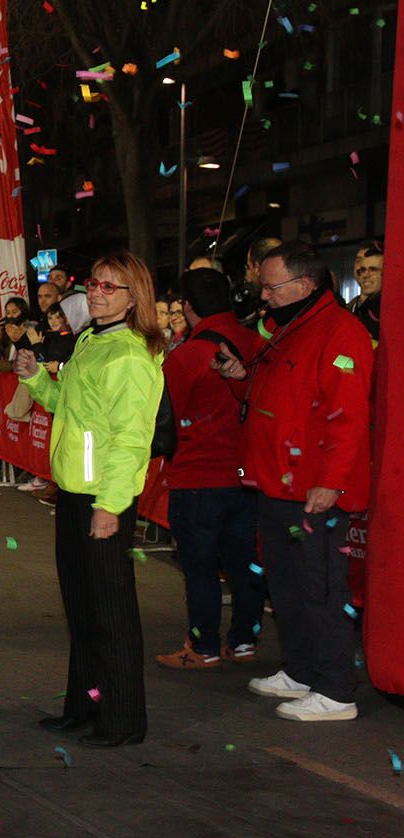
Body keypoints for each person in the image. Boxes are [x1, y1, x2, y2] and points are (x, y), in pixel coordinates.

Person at [213, 241, 373, 721]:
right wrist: (241, 376)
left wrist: (331, 484)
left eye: (270, 286)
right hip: (276, 483)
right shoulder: (288, 329)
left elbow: (349, 419)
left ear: (303, 285)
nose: (263, 295)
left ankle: (336, 689)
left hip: (313, 490)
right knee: (285, 586)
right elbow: (271, 398)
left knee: (321, 590)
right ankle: (302, 670)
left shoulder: (339, 333)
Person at [16, 251, 166, 747]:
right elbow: (70, 408)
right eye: (94, 283)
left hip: (103, 498)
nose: (97, 292)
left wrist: (111, 504)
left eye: (110, 286)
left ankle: (121, 718)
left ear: (133, 298)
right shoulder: (90, 340)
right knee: (81, 610)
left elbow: (130, 439)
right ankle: (84, 705)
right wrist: (37, 379)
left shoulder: (128, 355)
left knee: (111, 614)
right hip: (77, 495)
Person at [152, 268, 267, 671]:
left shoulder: (186, 356)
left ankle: (203, 646)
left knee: (200, 568)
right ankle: (244, 640)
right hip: (245, 475)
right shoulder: (255, 344)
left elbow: (166, 417)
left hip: (198, 477)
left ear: (187, 305)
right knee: (243, 563)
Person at [348, 240, 381, 342]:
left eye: (373, 269)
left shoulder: (393, 310)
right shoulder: (354, 308)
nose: (365, 274)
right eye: (363, 269)